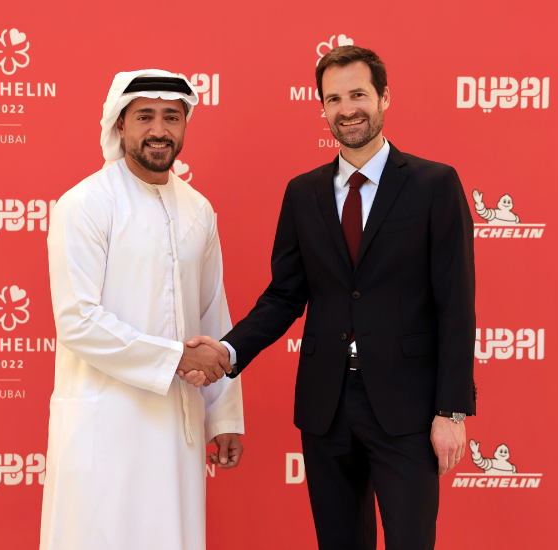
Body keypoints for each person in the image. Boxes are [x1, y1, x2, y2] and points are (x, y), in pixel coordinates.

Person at [183, 47, 477, 549]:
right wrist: (228, 351)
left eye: (358, 94)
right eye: (334, 99)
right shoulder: (303, 193)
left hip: (407, 407)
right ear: (322, 106)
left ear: (384, 97)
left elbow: (456, 304)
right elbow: (284, 296)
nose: (347, 109)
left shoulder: (434, 184)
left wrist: (450, 412)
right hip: (327, 406)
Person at [39, 69, 244, 550]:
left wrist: (224, 417)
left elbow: (212, 316)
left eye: (171, 117)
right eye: (145, 116)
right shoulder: (86, 203)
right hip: (103, 423)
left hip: (176, 425)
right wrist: (175, 358)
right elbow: (77, 320)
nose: (159, 130)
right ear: (120, 123)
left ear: (185, 124)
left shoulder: (198, 209)